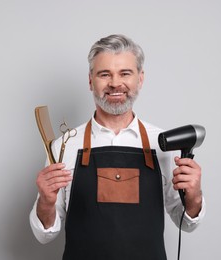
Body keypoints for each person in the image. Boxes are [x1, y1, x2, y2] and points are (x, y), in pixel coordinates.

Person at [29, 34, 206, 260]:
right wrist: (46, 200)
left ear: (140, 79)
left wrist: (195, 195)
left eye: (125, 73)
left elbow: (187, 222)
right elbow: (45, 235)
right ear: (91, 81)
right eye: (105, 74)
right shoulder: (64, 146)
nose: (115, 83)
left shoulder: (165, 143)